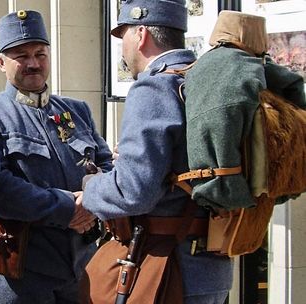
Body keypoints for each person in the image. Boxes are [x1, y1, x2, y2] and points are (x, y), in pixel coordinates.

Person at [81, 1, 233, 303]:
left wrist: (90, 189)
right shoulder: (202, 81)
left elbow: (134, 191)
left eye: (123, 35)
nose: (122, 47)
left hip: (167, 269)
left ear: (141, 34)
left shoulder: (154, 88)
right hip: (211, 268)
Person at [0, 9, 114, 304]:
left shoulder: (76, 110)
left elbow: (106, 164)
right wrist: (68, 209)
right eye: (21, 56)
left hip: (81, 260)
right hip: (21, 267)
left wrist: (93, 201)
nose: (33, 63)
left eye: (40, 53)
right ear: (1, 62)